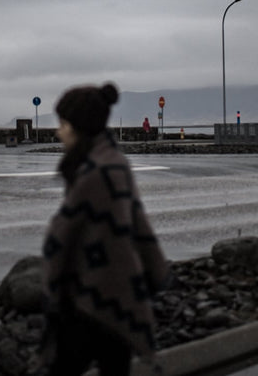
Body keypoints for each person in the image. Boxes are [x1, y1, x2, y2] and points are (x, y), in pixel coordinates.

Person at [42, 83, 170, 376]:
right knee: (114, 366)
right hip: (120, 298)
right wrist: (158, 272)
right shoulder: (114, 163)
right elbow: (139, 225)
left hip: (93, 299)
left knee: (65, 366)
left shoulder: (95, 174)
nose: (59, 132)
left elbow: (60, 239)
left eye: (63, 124)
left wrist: (52, 291)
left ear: (79, 127)